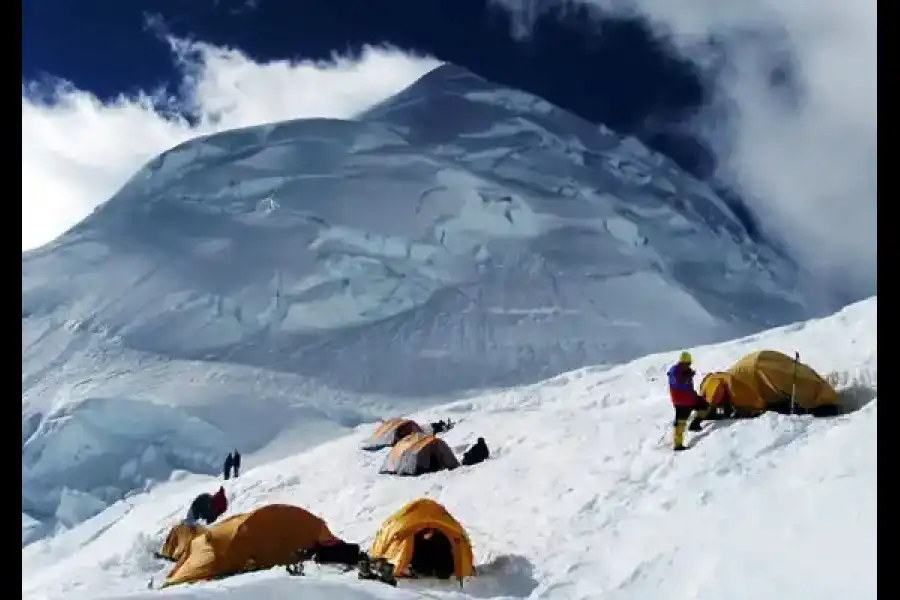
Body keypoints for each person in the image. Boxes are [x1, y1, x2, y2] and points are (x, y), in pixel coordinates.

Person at [667, 351, 707, 451]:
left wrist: (689, 374)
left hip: (691, 398)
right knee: (680, 422)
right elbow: (678, 384)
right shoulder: (674, 371)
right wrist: (688, 376)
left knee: (705, 406)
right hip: (681, 402)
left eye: (689, 363)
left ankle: (695, 424)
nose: (689, 365)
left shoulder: (686, 370)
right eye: (688, 363)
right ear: (682, 362)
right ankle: (678, 445)